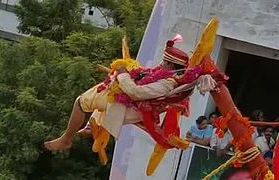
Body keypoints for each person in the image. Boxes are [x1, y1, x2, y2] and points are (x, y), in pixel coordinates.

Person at [44, 36, 217, 151]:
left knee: (80, 102)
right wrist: (128, 70)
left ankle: (66, 139)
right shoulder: (163, 76)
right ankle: (85, 128)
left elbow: (135, 92)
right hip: (124, 100)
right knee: (87, 99)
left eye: (164, 62)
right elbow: (142, 77)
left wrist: (122, 73)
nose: (161, 64)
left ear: (171, 67)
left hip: (127, 105)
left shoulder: (166, 83)